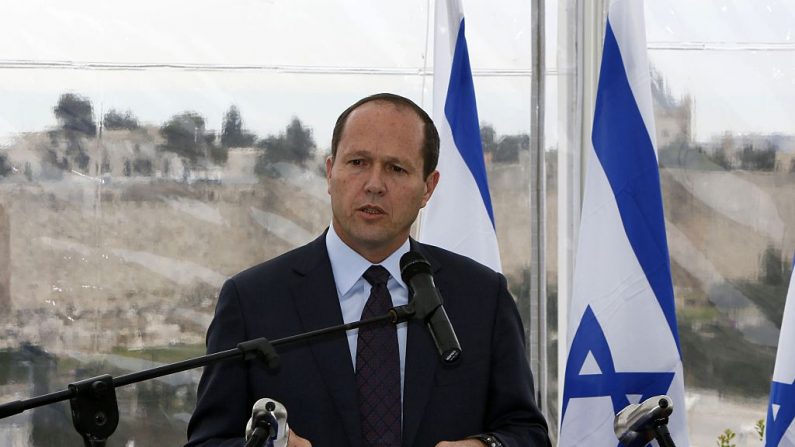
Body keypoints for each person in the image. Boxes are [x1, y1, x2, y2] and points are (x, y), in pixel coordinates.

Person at [186, 93, 550, 447]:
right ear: (330, 173)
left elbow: (527, 433)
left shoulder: (482, 297)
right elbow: (208, 440)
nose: (374, 185)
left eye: (396, 168)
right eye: (358, 162)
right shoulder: (253, 300)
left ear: (428, 188)